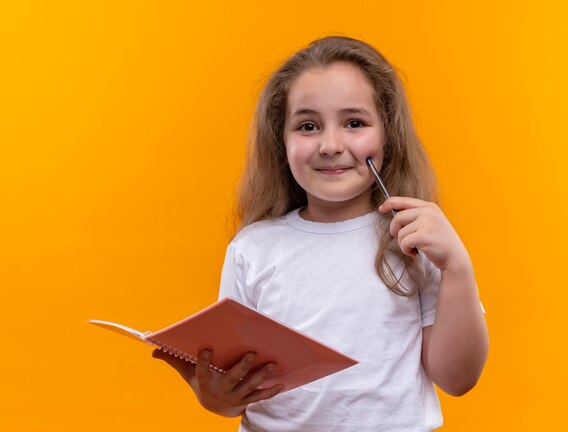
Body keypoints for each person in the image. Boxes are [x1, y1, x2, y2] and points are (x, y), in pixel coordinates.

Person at [153, 35, 489, 431]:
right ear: (282, 140)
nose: (331, 145)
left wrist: (458, 267)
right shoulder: (253, 248)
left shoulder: (413, 239)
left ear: (387, 136)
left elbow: (458, 379)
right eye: (308, 125)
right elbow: (237, 387)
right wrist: (216, 398)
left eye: (354, 123)